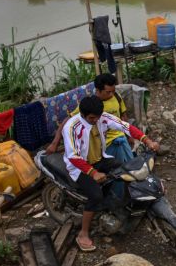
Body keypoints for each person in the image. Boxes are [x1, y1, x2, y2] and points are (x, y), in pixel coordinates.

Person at [62, 96, 158, 252]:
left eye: (98, 117)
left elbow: (126, 127)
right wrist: (93, 173)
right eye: (92, 118)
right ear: (83, 114)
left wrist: (148, 141)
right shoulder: (72, 127)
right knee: (95, 196)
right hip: (80, 167)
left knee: (128, 170)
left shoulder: (102, 118)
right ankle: (83, 234)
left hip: (100, 159)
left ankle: (127, 206)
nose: (96, 120)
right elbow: (73, 156)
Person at [48, 73, 133, 160]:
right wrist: (55, 143)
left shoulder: (116, 97)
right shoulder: (90, 104)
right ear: (98, 90)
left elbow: (123, 117)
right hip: (105, 145)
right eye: (108, 92)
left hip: (122, 139)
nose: (111, 94)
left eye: (113, 91)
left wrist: (129, 136)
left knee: (132, 167)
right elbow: (67, 122)